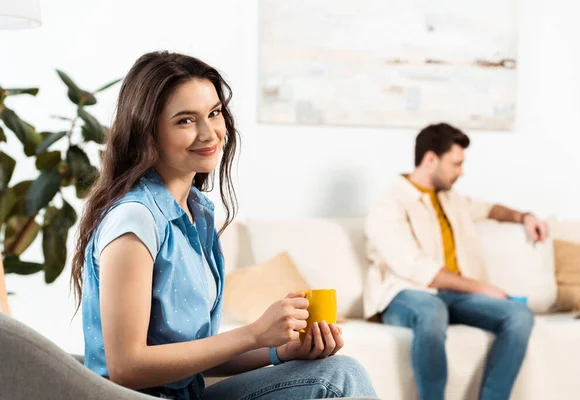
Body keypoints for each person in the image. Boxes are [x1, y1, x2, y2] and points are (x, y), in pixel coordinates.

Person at [71, 51, 377, 400]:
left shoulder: (196, 214)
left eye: (214, 113)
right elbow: (127, 367)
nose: (209, 133)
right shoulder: (135, 221)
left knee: (336, 371)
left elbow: (194, 356)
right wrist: (254, 333)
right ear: (148, 133)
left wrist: (281, 352)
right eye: (186, 120)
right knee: (339, 379)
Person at [364, 123, 549, 400]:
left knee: (519, 315)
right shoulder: (388, 204)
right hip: (407, 294)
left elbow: (490, 209)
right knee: (431, 312)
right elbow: (416, 269)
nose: (461, 172)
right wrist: (480, 287)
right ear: (430, 159)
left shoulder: (452, 199)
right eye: (456, 164)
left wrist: (525, 217)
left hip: (455, 296)